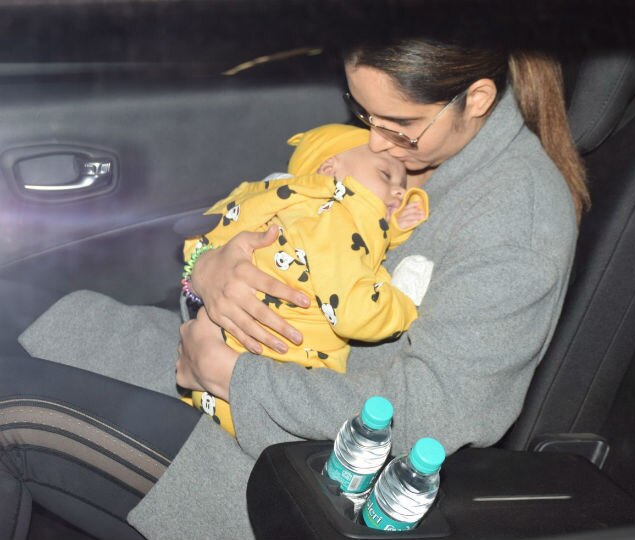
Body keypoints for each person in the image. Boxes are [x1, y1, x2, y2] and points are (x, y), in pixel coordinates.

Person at [3, 36, 588, 540]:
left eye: (399, 126)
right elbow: (267, 219)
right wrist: (205, 271)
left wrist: (232, 377)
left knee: (14, 411)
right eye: (363, 115)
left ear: (478, 99)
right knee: (13, 310)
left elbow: (437, 410)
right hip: (229, 359)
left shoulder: (518, 222)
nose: (377, 143)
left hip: (306, 470)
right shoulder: (389, 145)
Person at [180, 123, 429, 435]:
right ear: (329, 169)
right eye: (385, 174)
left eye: (402, 186)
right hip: (271, 384)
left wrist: (391, 230)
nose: (400, 191)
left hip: (228, 355)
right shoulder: (334, 220)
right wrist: (403, 300)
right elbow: (354, 313)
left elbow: (345, 250)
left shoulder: (288, 202)